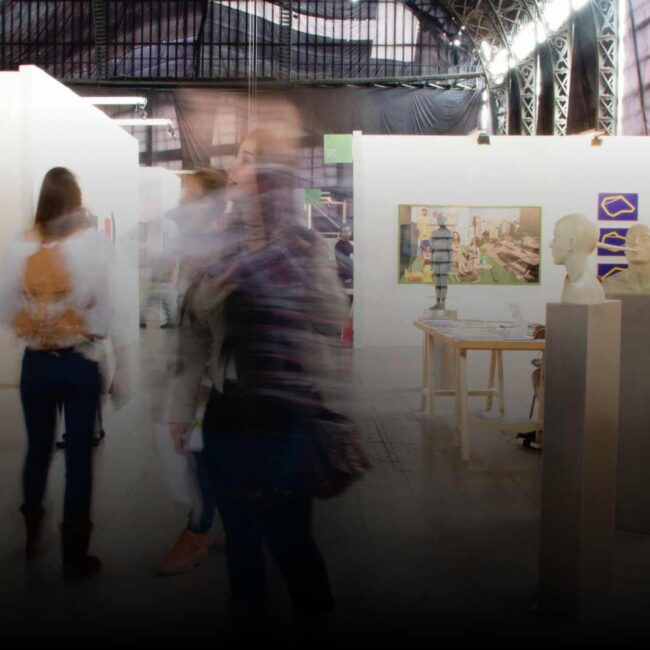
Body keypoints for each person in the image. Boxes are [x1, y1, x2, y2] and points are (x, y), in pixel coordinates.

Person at [168, 127, 347, 631]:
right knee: (240, 534)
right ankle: (248, 613)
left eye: (246, 160)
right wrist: (180, 410)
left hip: (284, 412)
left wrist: (285, 275)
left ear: (270, 176)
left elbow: (333, 318)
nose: (232, 167)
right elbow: (194, 335)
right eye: (237, 158)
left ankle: (315, 614)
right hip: (227, 410)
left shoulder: (303, 245)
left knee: (290, 537)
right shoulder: (215, 248)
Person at [0, 167, 111, 580]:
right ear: (75, 201)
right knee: (78, 458)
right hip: (78, 362)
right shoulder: (90, 245)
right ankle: (75, 555)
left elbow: (7, 309)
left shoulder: (20, 246)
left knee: (38, 449)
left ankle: (32, 534)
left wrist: (37, 322)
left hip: (36, 365)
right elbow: (102, 311)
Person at [155, 167, 228, 576]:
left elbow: (215, 335)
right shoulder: (194, 255)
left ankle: (198, 534)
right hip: (209, 383)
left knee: (206, 460)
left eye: (189, 197)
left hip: (227, 386)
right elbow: (193, 334)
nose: (181, 204)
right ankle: (218, 528)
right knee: (205, 458)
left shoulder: (226, 258)